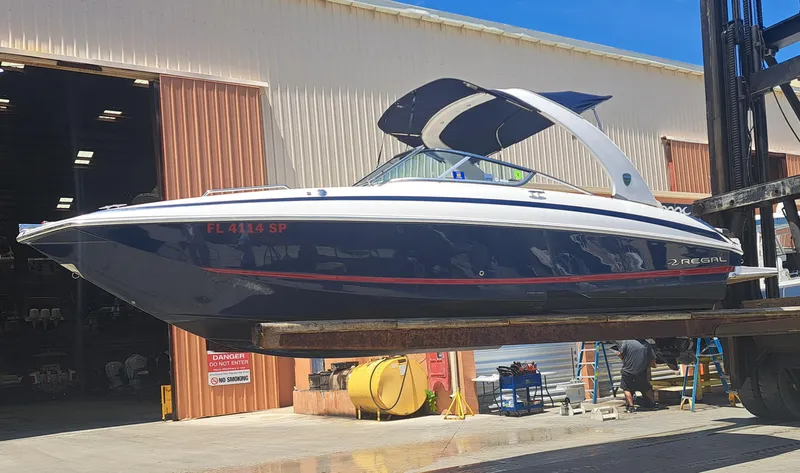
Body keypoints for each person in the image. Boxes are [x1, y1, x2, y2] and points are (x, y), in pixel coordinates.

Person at [617, 339, 658, 412]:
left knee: (626, 388)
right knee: (646, 387)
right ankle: (653, 404)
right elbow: (652, 359)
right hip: (641, 371)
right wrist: (652, 365)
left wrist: (624, 359)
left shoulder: (626, 342)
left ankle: (631, 406)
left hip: (627, 371)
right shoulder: (646, 344)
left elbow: (619, 354)